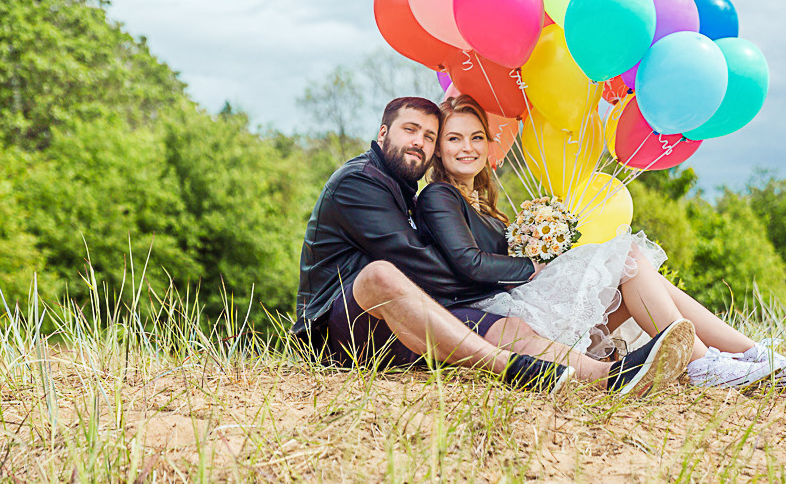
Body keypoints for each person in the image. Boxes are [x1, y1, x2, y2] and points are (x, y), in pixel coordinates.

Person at [292, 96, 696, 396]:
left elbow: (434, 271)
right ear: (383, 134)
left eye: (428, 136)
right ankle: (515, 370)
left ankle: (614, 377)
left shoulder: (404, 188)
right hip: (337, 329)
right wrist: (520, 275)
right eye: (409, 130)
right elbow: (417, 266)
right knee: (379, 274)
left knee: (512, 326)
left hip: (397, 323)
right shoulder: (359, 182)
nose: (419, 142)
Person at [415, 94, 786, 388]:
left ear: (488, 144)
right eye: (454, 138)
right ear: (438, 148)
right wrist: (535, 267)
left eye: (475, 137)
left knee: (633, 269)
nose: (466, 147)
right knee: (626, 256)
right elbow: (468, 263)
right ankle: (708, 365)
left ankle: (747, 354)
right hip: (495, 314)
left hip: (520, 298)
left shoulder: (484, 202)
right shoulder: (438, 195)